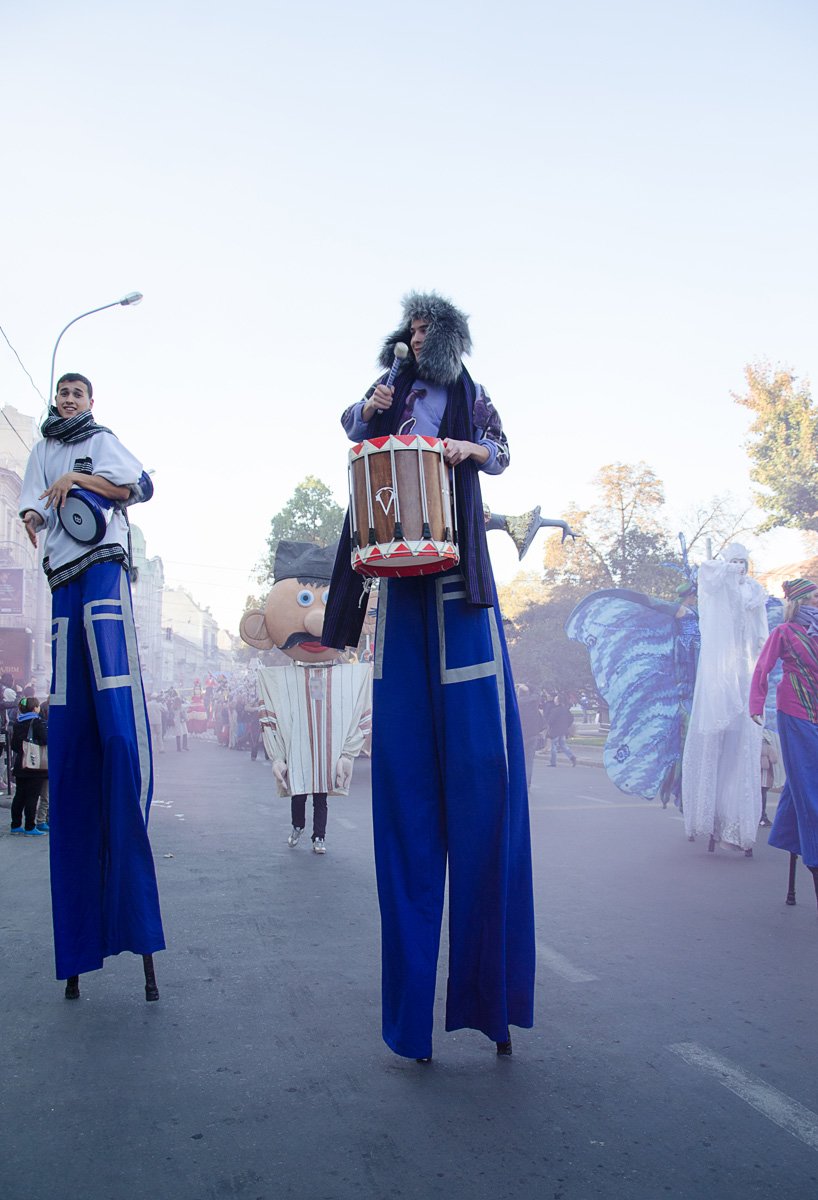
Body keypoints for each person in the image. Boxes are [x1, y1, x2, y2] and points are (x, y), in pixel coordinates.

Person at [323, 292, 536, 1062]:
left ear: (445, 338)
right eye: (407, 330)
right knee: (407, 801)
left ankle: (491, 1006)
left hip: (460, 581)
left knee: (484, 785)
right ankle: (410, 1020)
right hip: (401, 582)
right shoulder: (387, 392)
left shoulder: (470, 397)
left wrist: (468, 453)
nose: (414, 339)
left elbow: (503, 452)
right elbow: (351, 430)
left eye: (425, 329)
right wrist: (373, 406)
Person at [19, 372, 164, 1000]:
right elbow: (29, 504)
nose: (68, 401)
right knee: (72, 731)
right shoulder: (41, 447)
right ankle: (77, 946)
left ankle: (132, 910)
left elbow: (137, 488)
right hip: (61, 579)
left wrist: (78, 480)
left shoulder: (100, 440)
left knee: (117, 730)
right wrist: (32, 518)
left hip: (103, 568)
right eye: (63, 393)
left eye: (77, 394)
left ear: (91, 401)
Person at [241, 541, 372, 856]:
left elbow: (360, 714)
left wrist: (348, 753)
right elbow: (270, 717)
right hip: (298, 747)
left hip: (327, 749)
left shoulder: (351, 679)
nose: (315, 621)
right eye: (304, 600)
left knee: (321, 795)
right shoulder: (279, 681)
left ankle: (319, 836)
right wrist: (278, 756)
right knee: (298, 791)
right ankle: (298, 826)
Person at [682, 544, 767, 855]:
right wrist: (724, 569)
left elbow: (761, 634)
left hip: (746, 670)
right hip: (719, 674)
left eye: (743, 562)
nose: (739, 567)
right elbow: (708, 574)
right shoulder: (717, 586)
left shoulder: (754, 591)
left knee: (743, 750)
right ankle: (709, 819)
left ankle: (739, 822)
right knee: (715, 744)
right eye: (734, 562)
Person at [750, 578, 818, 886]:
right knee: (808, 785)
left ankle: (791, 840)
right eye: (816, 597)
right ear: (802, 602)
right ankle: (815, 859)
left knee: (801, 785)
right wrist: (757, 704)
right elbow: (762, 668)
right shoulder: (784, 632)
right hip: (795, 713)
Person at [9, 696, 48, 836]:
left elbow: (13, 745)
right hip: (34, 765)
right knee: (32, 796)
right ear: (34, 708)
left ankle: (15, 824)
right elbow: (45, 740)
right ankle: (30, 827)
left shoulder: (18, 722)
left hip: (20, 764)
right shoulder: (36, 722)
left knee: (19, 795)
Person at [547, 695, 577, 767]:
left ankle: (553, 762)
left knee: (553, 746)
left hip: (555, 731)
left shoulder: (554, 710)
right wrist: (566, 725)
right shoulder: (565, 709)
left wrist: (549, 726)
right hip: (563, 730)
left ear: (557, 701)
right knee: (563, 745)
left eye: (555, 699)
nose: (554, 700)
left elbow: (550, 721)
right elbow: (571, 718)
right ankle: (572, 757)